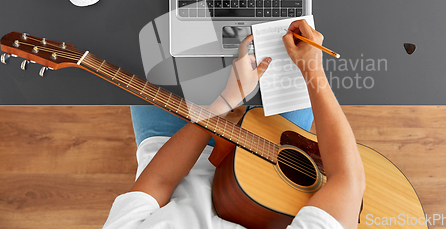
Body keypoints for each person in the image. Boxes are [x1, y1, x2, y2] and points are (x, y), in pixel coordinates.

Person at [103, 19, 365, 229]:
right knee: (286, 25)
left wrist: (223, 102)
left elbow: (158, 181)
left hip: (172, 145)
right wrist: (311, 68)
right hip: (272, 166)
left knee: (157, 25)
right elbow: (347, 179)